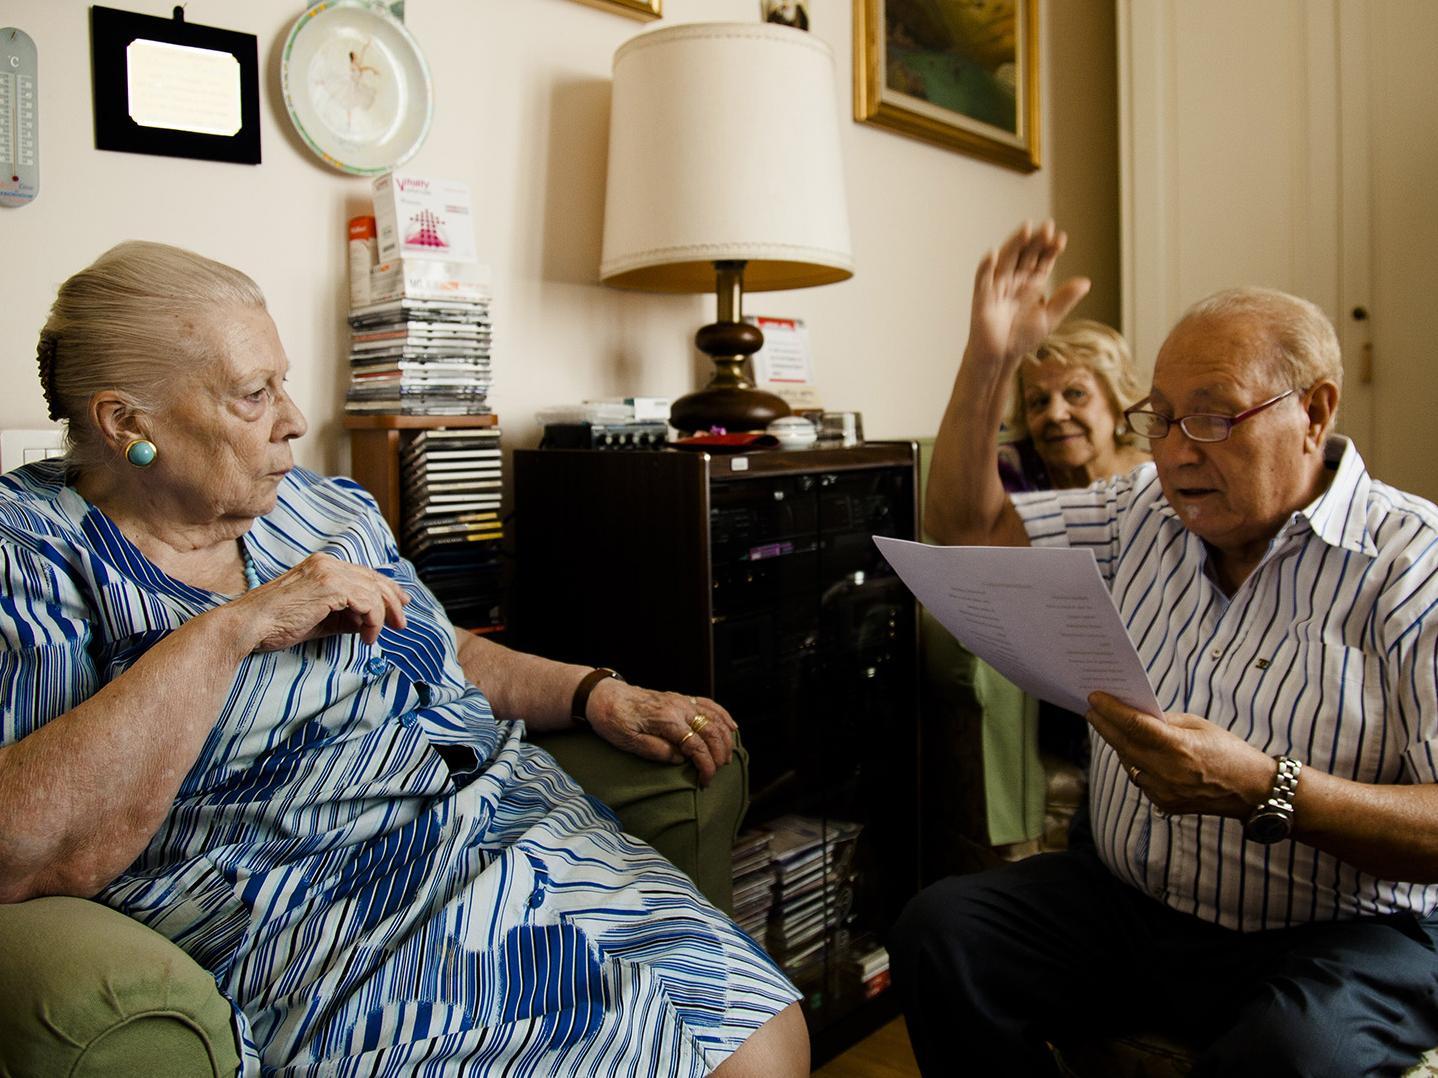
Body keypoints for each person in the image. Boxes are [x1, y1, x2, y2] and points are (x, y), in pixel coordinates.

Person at [0, 241, 809, 1077]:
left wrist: (594, 693)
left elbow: (438, 645)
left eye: (281, 381)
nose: (294, 419)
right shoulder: (33, 554)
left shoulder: (320, 505)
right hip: (310, 911)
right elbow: (31, 848)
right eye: (254, 394)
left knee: (762, 1034)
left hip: (499, 821)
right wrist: (230, 630)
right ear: (127, 423)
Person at [890, 220, 1438, 1075]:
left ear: (1315, 411)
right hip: (1131, 902)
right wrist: (990, 360)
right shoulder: (1135, 509)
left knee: (1294, 1053)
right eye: (1162, 419)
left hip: (1345, 932)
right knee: (939, 933)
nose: (1179, 452)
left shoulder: (1414, 564)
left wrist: (1268, 787)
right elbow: (966, 530)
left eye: (1215, 417)